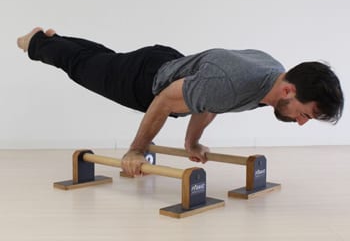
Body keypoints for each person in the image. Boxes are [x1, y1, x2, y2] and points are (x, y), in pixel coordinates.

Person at [17, 27, 344, 176]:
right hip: (146, 82)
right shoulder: (230, 83)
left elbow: (211, 103)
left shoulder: (272, 76)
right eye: (306, 114)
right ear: (289, 91)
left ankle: (54, 39)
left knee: (101, 61)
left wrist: (192, 140)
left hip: (172, 64)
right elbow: (163, 102)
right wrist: (136, 150)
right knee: (82, 68)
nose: (301, 122)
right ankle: (35, 43)